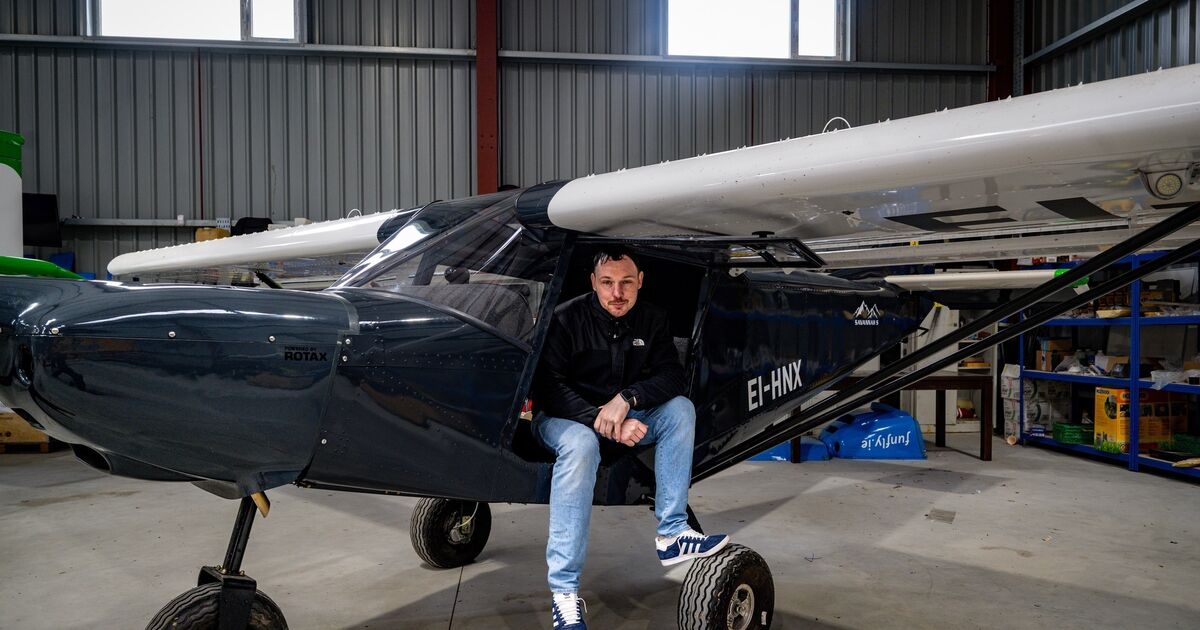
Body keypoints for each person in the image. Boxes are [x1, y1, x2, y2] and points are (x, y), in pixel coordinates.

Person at [531, 247, 730, 630]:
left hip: (621, 415)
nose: (617, 293)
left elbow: (672, 377)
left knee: (679, 410)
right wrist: (604, 421)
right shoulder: (565, 319)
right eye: (607, 283)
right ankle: (564, 594)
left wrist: (628, 400)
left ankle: (672, 532)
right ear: (593, 283)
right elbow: (548, 389)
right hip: (561, 419)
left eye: (626, 283)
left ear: (640, 281)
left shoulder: (653, 319)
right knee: (582, 443)